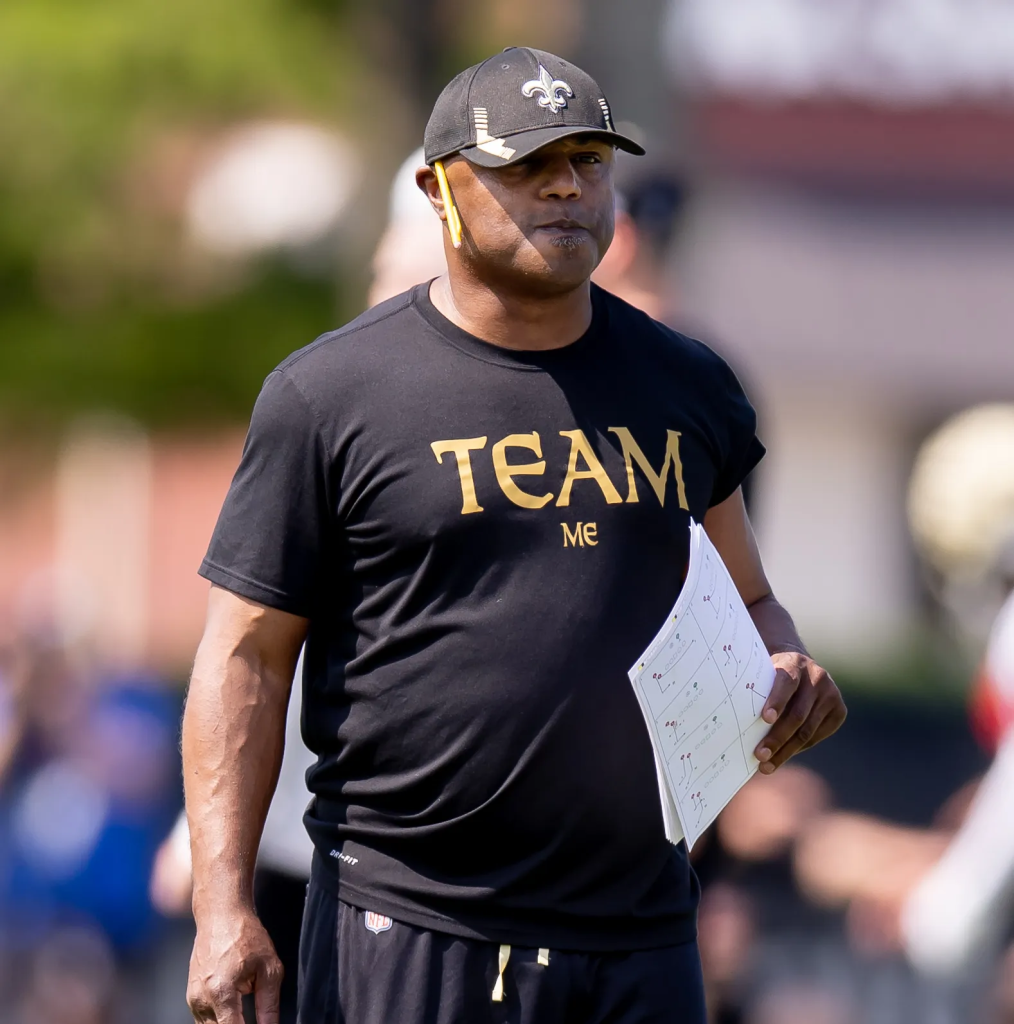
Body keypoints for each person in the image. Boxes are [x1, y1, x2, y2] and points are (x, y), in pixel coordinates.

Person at [182, 46, 846, 1024]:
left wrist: (786, 666)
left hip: (644, 931)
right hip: (411, 923)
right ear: (437, 192)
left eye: (587, 161)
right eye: (526, 163)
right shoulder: (330, 396)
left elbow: (750, 600)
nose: (565, 186)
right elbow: (245, 658)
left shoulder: (689, 384)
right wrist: (222, 908)